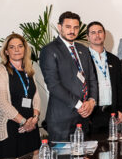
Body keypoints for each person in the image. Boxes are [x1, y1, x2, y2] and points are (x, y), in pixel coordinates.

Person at [40, 11, 98, 141]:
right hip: (62, 120)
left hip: (84, 117)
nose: (72, 31)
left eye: (76, 27)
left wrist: (91, 101)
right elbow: (53, 85)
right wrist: (79, 105)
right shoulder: (49, 50)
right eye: (68, 27)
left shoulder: (83, 49)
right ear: (59, 27)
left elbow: (92, 79)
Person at [0, 33, 41, 159]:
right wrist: (23, 122)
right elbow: (1, 102)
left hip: (31, 125)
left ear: (25, 49)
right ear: (6, 51)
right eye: (12, 47)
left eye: (20, 46)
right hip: (13, 127)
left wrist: (35, 118)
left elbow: (35, 96)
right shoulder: (2, 71)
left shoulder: (29, 70)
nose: (16, 50)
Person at [86, 20, 122, 135]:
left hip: (111, 113)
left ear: (104, 35)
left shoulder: (114, 59)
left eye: (100, 32)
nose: (97, 35)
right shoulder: (83, 58)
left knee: (112, 148)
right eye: (93, 33)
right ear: (88, 37)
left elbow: (120, 87)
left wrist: (121, 110)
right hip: (92, 114)